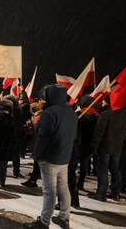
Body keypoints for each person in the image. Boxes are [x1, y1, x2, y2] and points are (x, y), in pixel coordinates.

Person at [24, 84, 77, 229]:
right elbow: (73, 136)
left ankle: (44, 222)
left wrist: (37, 155)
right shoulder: (71, 112)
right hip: (64, 156)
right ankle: (64, 217)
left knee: (49, 192)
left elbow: (43, 137)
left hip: (50, 158)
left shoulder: (49, 113)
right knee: (63, 188)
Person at [89, 101, 126, 202]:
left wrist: (94, 146)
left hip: (105, 147)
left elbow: (99, 131)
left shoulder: (105, 114)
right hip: (117, 147)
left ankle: (101, 194)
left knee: (103, 170)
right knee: (115, 169)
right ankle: (115, 193)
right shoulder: (124, 115)